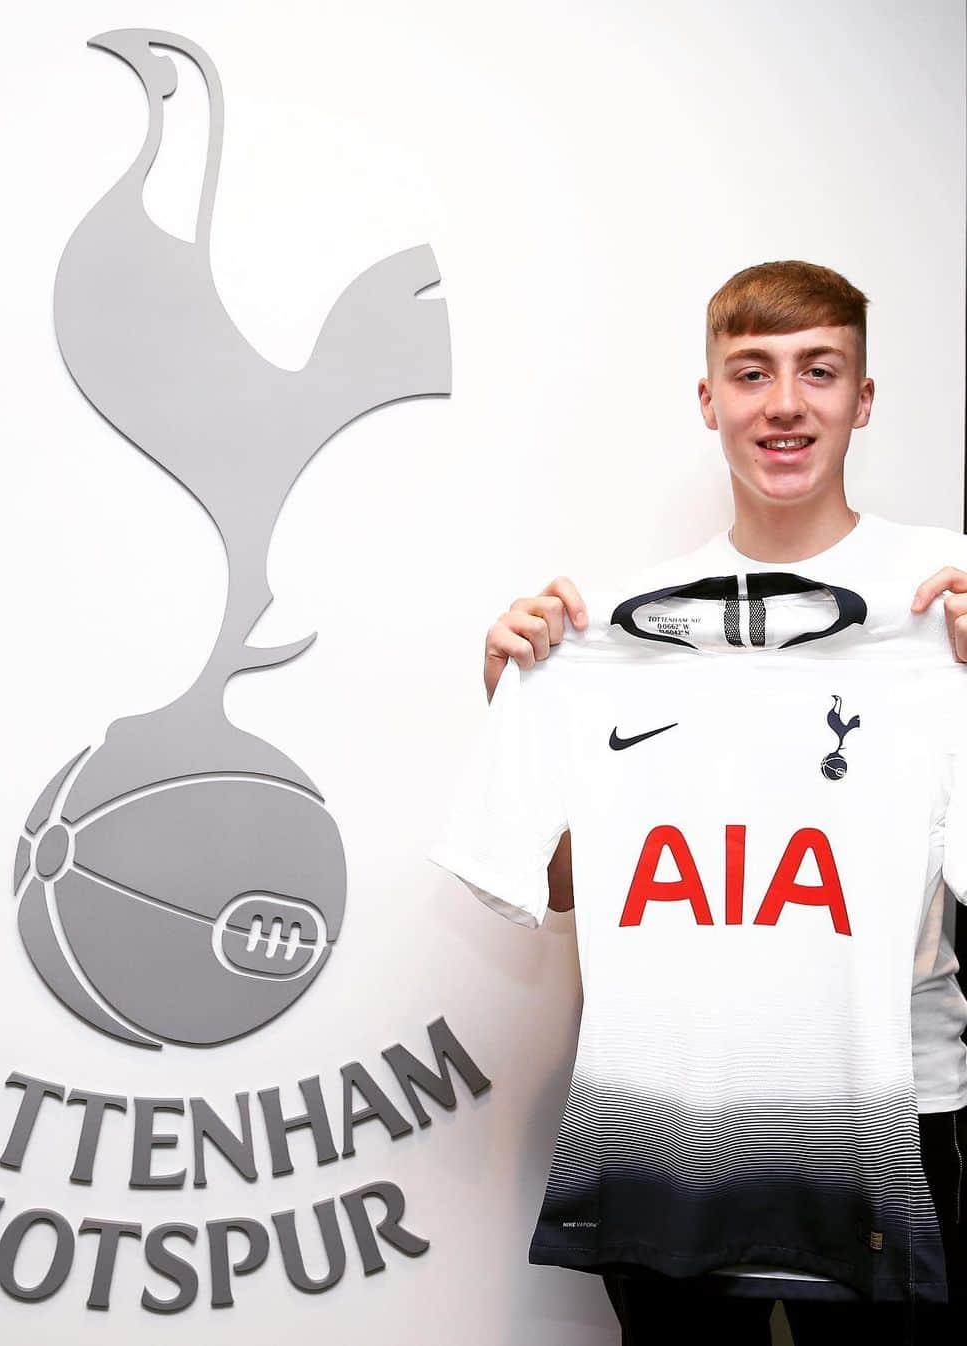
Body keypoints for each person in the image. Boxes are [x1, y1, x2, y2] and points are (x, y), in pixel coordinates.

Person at [478, 261, 967, 1344]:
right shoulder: (618, 626)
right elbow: (571, 888)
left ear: (863, 397)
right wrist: (520, 704)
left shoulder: (945, 595)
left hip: (893, 1106)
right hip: (673, 1105)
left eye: (818, 370)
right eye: (751, 373)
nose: (784, 402)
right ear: (710, 400)